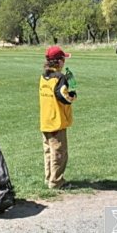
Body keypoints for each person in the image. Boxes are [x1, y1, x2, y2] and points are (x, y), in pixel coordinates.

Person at [39, 45, 76, 190]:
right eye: (63, 59)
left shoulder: (43, 76)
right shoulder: (60, 78)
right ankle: (57, 182)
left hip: (45, 119)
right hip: (57, 121)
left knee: (48, 151)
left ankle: (49, 178)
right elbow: (63, 95)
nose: (64, 62)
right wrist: (73, 95)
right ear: (59, 62)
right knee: (59, 152)